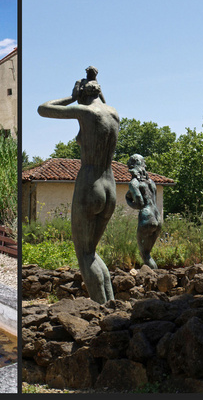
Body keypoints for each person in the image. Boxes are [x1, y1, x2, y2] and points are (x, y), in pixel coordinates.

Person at [37, 67, 120, 302]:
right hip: (110, 186)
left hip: (89, 183)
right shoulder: (113, 113)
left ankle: (101, 313)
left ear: (82, 94)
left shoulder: (85, 112)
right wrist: (93, 83)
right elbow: (103, 103)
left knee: (84, 255)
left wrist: (73, 97)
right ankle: (112, 306)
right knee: (91, 253)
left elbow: (43, 109)